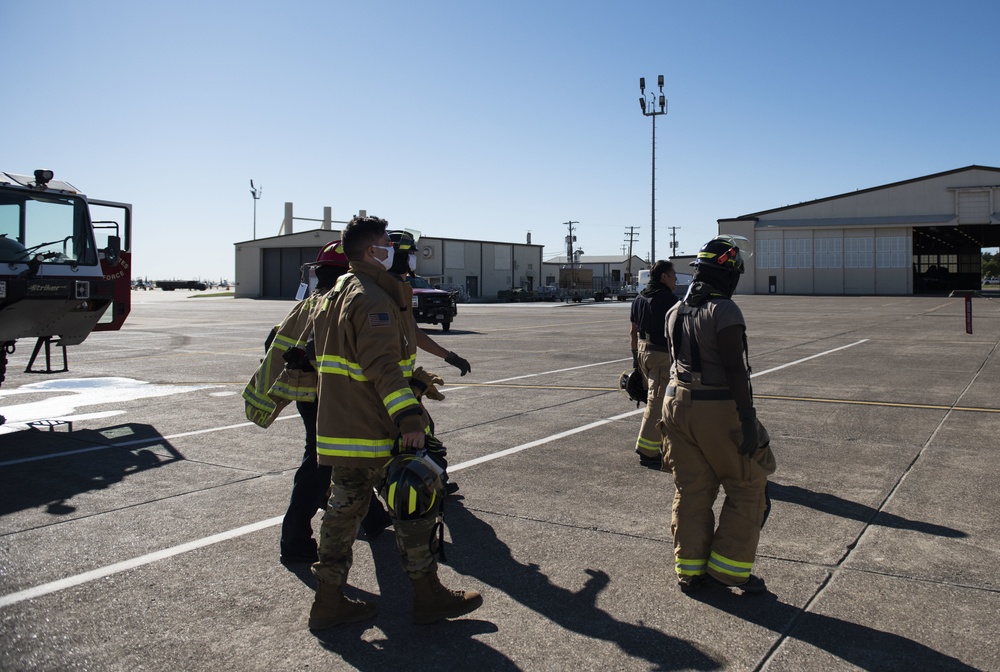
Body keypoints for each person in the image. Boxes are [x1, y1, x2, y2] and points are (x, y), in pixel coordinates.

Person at [306, 215, 483, 629]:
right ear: (372, 251)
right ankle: (428, 596)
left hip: (342, 429)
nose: (394, 250)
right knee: (415, 504)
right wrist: (408, 415)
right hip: (376, 428)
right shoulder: (371, 298)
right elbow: (383, 366)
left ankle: (328, 600)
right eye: (387, 243)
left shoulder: (336, 294)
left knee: (341, 515)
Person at [242, 240, 391, 566]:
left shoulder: (309, 302)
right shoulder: (342, 302)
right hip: (334, 397)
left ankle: (374, 518)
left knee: (346, 461)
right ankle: (295, 540)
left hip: (309, 396)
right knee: (320, 466)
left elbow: (274, 341)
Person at [661, 235, 776, 595]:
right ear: (728, 275)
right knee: (747, 485)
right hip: (717, 408)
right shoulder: (725, 310)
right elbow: (734, 369)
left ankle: (690, 571)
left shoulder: (674, 310)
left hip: (676, 405)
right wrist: (747, 419)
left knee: (693, 488)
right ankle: (728, 572)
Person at [387, 229, 470, 494]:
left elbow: (413, 331)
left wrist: (449, 356)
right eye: (410, 254)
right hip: (386, 384)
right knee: (416, 433)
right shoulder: (384, 291)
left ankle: (435, 481)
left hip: (398, 381)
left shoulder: (398, 288)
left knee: (423, 429)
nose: (414, 259)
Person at [628, 260, 678, 469]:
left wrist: (636, 364)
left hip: (642, 351)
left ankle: (663, 444)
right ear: (664, 277)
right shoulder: (669, 300)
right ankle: (647, 451)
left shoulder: (639, 299)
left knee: (658, 401)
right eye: (673, 274)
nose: (676, 278)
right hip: (660, 355)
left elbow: (632, 332)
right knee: (657, 403)